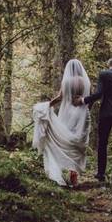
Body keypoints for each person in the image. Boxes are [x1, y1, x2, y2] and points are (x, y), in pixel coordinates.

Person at [75, 58, 112, 186]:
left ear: (109, 65)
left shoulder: (104, 74)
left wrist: (84, 100)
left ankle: (101, 174)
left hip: (106, 114)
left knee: (102, 144)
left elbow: (99, 94)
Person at [31, 59, 91, 187]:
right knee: (78, 144)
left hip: (68, 112)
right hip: (82, 113)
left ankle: (63, 168)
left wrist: (47, 105)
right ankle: (74, 175)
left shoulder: (67, 81)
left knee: (66, 140)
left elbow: (60, 97)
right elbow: (88, 99)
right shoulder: (86, 81)